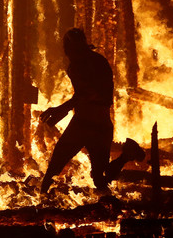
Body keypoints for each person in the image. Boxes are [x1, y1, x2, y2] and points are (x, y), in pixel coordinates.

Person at [40, 28, 144, 194]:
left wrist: (62, 108)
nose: (67, 53)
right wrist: (65, 109)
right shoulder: (94, 62)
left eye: (68, 49)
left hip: (84, 124)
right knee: (99, 178)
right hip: (101, 124)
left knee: (57, 163)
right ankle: (126, 156)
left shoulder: (83, 65)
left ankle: (41, 200)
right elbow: (88, 93)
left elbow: (89, 93)